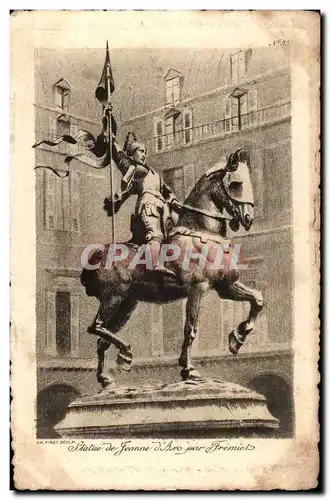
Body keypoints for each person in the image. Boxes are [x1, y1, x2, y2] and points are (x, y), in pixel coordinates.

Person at [103, 132, 179, 273]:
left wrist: (173, 199)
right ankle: (154, 265)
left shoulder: (153, 173)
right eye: (141, 151)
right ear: (133, 153)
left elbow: (166, 191)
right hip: (148, 205)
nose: (144, 155)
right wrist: (113, 142)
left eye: (145, 152)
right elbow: (121, 160)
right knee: (155, 234)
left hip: (163, 208)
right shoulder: (137, 170)